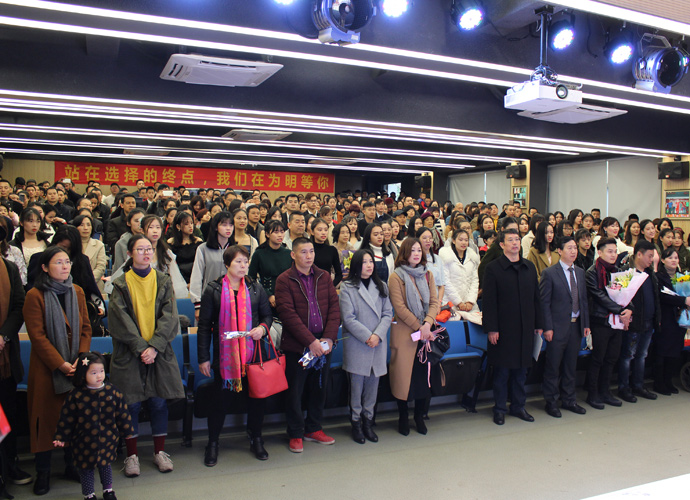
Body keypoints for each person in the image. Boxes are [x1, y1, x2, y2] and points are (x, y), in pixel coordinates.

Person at [108, 235, 185, 477]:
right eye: (140, 249)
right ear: (129, 254)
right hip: (130, 353)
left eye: (149, 249)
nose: (146, 253)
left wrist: (154, 347)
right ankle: (131, 455)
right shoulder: (120, 284)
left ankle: (159, 452)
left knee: (158, 401)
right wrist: (142, 348)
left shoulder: (163, 280)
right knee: (130, 403)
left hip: (158, 352)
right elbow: (120, 320)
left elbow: (170, 317)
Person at [24, 246, 92, 496]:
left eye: (67, 262)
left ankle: (71, 465)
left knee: (73, 419)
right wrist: (60, 363)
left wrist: (80, 358)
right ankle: (43, 472)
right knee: (45, 422)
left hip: (75, 366)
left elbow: (86, 328)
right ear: (44, 267)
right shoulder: (35, 295)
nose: (65, 266)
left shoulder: (77, 291)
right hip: (47, 369)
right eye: (58, 262)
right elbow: (37, 336)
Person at [198, 245, 273, 464]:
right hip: (226, 357)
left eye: (245, 262)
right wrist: (203, 357)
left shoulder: (255, 288)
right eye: (238, 262)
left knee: (257, 400)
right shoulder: (214, 290)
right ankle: (213, 443)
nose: (243, 266)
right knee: (220, 402)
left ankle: (256, 438)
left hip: (253, 355)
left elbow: (267, 316)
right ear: (227, 264)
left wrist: (262, 329)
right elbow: (204, 326)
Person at [275, 236, 340, 453]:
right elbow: (287, 315)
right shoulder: (284, 280)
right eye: (303, 252)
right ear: (293, 255)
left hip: (323, 344)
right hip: (298, 346)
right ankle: (295, 432)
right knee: (295, 391)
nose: (309, 256)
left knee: (319, 388)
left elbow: (334, 309)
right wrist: (310, 342)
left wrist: (328, 338)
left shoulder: (324, 276)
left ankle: (314, 428)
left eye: (311, 251)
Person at [483, 228, 543, 425]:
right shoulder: (493, 268)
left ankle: (518, 406)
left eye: (517, 239)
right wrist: (492, 328)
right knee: (502, 372)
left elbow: (536, 298)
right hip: (503, 329)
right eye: (510, 240)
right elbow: (489, 302)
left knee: (521, 371)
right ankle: (499, 408)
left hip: (525, 328)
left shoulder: (529, 267)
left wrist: (539, 324)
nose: (515, 243)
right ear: (502, 245)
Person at [53, 352, 132, 500]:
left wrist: (127, 431)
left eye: (101, 371)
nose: (99, 376)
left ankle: (108, 490)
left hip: (107, 439)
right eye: (94, 373)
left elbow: (122, 413)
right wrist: (61, 437)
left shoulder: (113, 392)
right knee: (86, 469)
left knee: (105, 466)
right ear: (83, 374)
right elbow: (67, 418)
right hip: (83, 442)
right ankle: (89, 494)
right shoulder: (76, 395)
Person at [339, 249, 393, 444]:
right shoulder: (347, 287)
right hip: (358, 343)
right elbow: (348, 318)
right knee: (356, 386)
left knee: (373, 386)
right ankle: (356, 422)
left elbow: (388, 313)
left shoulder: (382, 285)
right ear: (356, 265)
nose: (369, 265)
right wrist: (368, 336)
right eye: (364, 262)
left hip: (377, 343)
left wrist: (377, 335)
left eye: (371, 261)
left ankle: (368, 421)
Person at [388, 237, 439, 436]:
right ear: (404, 253)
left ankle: (419, 416)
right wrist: (420, 326)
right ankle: (403, 416)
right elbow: (399, 308)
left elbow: (434, 302)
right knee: (403, 378)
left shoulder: (428, 274)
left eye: (419, 250)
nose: (416, 254)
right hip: (405, 333)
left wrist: (427, 324)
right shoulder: (396, 277)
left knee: (422, 378)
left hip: (425, 334)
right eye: (412, 250)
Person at [539, 236, 590, 418]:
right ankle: (551, 402)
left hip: (576, 326)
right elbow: (544, 303)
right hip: (557, 327)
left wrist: (586, 324)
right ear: (559, 251)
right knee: (553, 366)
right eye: (569, 248)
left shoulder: (580, 272)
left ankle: (569, 399)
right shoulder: (550, 273)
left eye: (575, 248)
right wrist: (547, 327)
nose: (573, 251)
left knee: (570, 366)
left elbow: (583, 300)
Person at [584, 238, 633, 410]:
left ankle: (605, 391)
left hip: (616, 322)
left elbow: (627, 294)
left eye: (615, 251)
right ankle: (593, 393)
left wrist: (629, 310)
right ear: (600, 252)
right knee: (598, 358)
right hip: (600, 320)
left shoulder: (618, 271)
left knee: (612, 358)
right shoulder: (592, 272)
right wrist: (620, 310)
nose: (613, 255)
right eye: (609, 251)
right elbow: (599, 296)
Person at [0, 242, 32, 498]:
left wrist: (3, 335)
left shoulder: (9, 268)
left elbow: (18, 305)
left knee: (7, 413)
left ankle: (8, 466)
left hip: (4, 357)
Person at [617, 240, 660, 403]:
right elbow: (621, 298)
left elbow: (655, 297)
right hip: (633, 322)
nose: (651, 259)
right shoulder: (626, 273)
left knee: (642, 355)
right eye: (649, 256)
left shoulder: (650, 274)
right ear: (639, 254)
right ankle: (624, 388)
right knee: (627, 356)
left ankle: (638, 385)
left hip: (649, 321)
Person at [654, 248, 690, 395]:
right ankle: (659, 382)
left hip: (679, 318)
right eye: (670, 258)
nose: (674, 260)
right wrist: (683, 300)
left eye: (676, 258)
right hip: (666, 317)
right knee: (663, 351)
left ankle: (669, 380)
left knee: (675, 351)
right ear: (663, 260)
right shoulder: (658, 277)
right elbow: (662, 296)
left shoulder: (682, 277)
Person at [190, 211, 234, 322]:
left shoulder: (236, 250)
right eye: (224, 225)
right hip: (208, 300)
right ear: (215, 227)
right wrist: (197, 304)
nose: (228, 228)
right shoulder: (203, 249)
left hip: (231, 301)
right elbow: (196, 276)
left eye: (231, 225)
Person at [247, 220, 293, 311]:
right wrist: (268, 295)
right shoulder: (259, 254)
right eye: (276, 232)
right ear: (267, 234)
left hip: (286, 296)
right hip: (265, 297)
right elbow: (251, 278)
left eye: (282, 231)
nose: (280, 235)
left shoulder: (288, 253)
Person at [439, 228, 479, 314]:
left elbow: (475, 281)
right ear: (453, 240)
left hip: (469, 305)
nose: (463, 243)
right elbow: (446, 281)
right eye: (460, 240)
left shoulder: (472, 257)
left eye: (466, 240)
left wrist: (470, 301)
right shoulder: (446, 257)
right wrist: (458, 302)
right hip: (450, 302)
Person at [167, 211, 203, 283]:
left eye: (191, 223)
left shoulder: (198, 241)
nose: (190, 226)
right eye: (186, 224)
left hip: (195, 278)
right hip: (177, 278)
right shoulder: (171, 242)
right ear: (178, 226)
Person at [73, 214, 107, 288]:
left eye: (88, 225)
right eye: (82, 225)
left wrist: (88, 281)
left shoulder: (99, 245)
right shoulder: (71, 245)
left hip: (94, 284)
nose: (86, 228)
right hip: (74, 285)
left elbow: (100, 267)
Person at [417, 226, 445, 308]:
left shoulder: (437, 259)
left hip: (436, 302)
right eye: (424, 238)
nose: (428, 240)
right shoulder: (415, 259)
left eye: (430, 238)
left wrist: (439, 302)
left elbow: (442, 285)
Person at [112, 208, 146, 272]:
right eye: (136, 221)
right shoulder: (121, 243)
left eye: (142, 221)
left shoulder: (151, 239)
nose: (140, 224)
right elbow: (118, 268)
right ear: (129, 223)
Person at [310, 217, 343, 286]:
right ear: (312, 232)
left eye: (325, 230)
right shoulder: (309, 250)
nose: (323, 233)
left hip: (326, 286)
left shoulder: (332, 250)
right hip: (309, 286)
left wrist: (331, 286)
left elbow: (339, 274)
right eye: (320, 230)